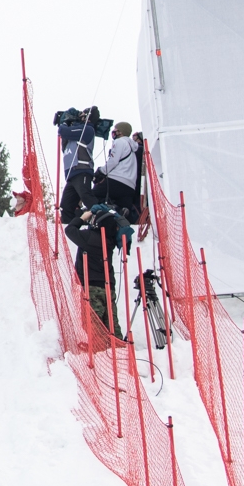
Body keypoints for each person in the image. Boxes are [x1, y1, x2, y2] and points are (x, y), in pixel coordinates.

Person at [63, 121, 146, 334]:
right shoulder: (109, 242)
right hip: (129, 184)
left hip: (116, 180)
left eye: (115, 130)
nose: (113, 133)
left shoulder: (121, 143)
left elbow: (113, 161)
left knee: (95, 193)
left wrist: (100, 172)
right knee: (111, 320)